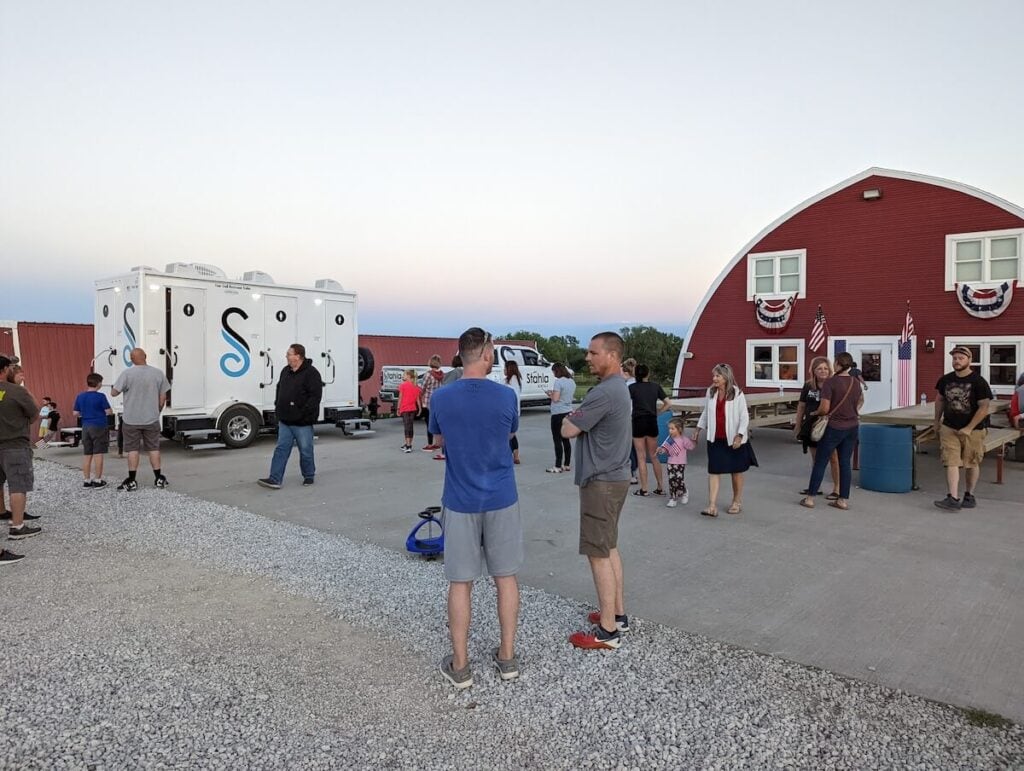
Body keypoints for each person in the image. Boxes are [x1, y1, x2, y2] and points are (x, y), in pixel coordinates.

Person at [429, 328, 521, 688]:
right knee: (506, 579)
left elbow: (438, 439)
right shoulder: (505, 397)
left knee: (460, 582)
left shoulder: (442, 397)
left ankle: (461, 665)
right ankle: (507, 658)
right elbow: (509, 434)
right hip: (501, 497)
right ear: (485, 354)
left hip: (460, 499)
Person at [561, 332, 632, 650]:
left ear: (612, 356)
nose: (587, 358)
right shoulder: (620, 388)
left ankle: (607, 633)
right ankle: (617, 615)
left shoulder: (603, 393)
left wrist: (569, 418)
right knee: (610, 547)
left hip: (600, 482)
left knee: (598, 553)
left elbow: (568, 430)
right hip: (616, 478)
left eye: (593, 352)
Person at [799, 352, 863, 511]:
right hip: (852, 426)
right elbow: (860, 401)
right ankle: (842, 500)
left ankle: (810, 498)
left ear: (838, 364)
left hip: (834, 427)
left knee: (820, 461)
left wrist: (816, 413)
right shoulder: (855, 383)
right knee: (844, 463)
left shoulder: (831, 383)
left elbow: (825, 408)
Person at [933, 346, 993, 511]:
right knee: (950, 461)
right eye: (955, 358)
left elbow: (984, 407)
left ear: (969, 360)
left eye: (961, 358)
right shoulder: (945, 380)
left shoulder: (978, 382)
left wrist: (969, 427)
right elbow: (939, 400)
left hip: (974, 430)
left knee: (971, 462)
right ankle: (953, 497)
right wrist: (936, 421)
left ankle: (969, 495)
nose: (957, 361)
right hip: (949, 427)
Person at [694, 363, 757, 517]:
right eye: (714, 375)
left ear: (726, 377)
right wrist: (698, 429)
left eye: (717, 376)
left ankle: (736, 501)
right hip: (715, 438)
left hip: (734, 439)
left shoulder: (737, 393)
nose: (714, 378)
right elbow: (706, 413)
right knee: (714, 471)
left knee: (736, 471)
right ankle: (712, 506)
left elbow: (744, 417)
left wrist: (740, 435)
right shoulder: (710, 392)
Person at [258, 344, 323, 489]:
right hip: (285, 420)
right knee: (281, 449)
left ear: (298, 356)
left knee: (305, 450)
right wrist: (278, 406)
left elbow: (315, 397)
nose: (286, 356)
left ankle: (309, 475)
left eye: (289, 354)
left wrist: (302, 414)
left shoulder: (312, 373)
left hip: (302, 422)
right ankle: (275, 479)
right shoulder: (285, 371)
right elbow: (279, 388)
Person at [0, 355, 42, 564]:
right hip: (14, 444)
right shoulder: (16, 391)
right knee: (18, 486)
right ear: (5, 369)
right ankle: (17, 526)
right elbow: (35, 414)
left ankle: (2, 512)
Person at [111, 348, 171, 491]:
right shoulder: (158, 373)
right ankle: (158, 478)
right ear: (145, 356)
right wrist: (157, 411)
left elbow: (114, 393)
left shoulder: (127, 373)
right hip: (151, 418)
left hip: (131, 419)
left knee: (132, 450)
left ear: (131, 359)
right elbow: (163, 397)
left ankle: (132, 480)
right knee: (154, 448)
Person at [794, 356, 840, 501]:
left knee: (833, 457)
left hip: (828, 425)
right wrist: (798, 425)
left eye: (826, 368)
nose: (823, 371)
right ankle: (816, 486)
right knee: (815, 458)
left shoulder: (834, 385)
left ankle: (837, 488)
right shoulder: (808, 385)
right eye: (819, 368)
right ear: (813, 370)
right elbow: (801, 406)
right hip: (810, 425)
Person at [629, 363, 672, 497]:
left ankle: (644, 489)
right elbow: (668, 403)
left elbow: (623, 403)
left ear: (636, 374)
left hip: (637, 422)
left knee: (641, 457)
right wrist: (659, 412)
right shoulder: (655, 387)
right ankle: (660, 487)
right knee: (654, 456)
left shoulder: (632, 388)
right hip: (652, 421)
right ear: (648, 374)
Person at [73, 373, 114, 488]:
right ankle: (98, 480)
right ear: (99, 383)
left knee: (87, 454)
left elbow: (75, 413)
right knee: (98, 454)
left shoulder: (80, 396)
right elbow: (109, 411)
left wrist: (86, 412)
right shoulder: (100, 396)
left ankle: (86, 480)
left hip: (85, 426)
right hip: (99, 425)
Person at [657, 416, 695, 507]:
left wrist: (694, 440)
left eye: (672, 429)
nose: (670, 431)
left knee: (678, 480)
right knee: (671, 480)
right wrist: (661, 450)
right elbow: (665, 449)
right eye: (669, 428)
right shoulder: (670, 439)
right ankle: (673, 498)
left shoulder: (683, 439)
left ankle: (684, 492)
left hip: (680, 463)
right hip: (670, 462)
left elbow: (691, 447)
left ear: (680, 429)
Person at [544, 362, 575, 473]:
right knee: (566, 439)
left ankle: (558, 465)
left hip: (558, 413)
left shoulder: (558, 382)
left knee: (557, 440)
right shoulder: (571, 381)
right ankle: (566, 464)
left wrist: (550, 394)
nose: (553, 374)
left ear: (557, 371)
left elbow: (556, 399)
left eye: (553, 372)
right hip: (568, 411)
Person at [433, 355, 464, 461]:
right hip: (465, 405)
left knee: (447, 431)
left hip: (453, 405)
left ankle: (445, 452)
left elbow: (446, 387)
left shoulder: (453, 373)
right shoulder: (467, 373)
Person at [420, 355, 444, 451]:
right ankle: (439, 442)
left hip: (428, 401)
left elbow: (423, 387)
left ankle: (430, 444)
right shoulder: (442, 375)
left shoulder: (428, 374)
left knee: (429, 423)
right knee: (439, 423)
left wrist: (419, 396)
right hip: (438, 401)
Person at [621, 358, 639, 484]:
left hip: (627, 418)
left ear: (626, 372)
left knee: (627, 447)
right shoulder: (639, 384)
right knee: (635, 446)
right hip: (638, 418)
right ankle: (635, 470)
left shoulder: (625, 387)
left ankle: (631, 471)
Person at [397, 368, 422, 453]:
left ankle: (408, 446)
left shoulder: (403, 385)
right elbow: (418, 399)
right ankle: (408, 443)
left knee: (406, 427)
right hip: (413, 409)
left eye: (404, 375)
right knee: (410, 426)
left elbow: (400, 398)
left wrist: (398, 408)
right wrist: (420, 409)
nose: (403, 376)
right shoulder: (416, 387)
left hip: (405, 409)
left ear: (408, 376)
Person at [504, 360, 522, 464]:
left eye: (505, 368)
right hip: (516, 410)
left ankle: (510, 454)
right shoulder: (518, 381)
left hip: (508, 411)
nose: (504, 370)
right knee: (512, 433)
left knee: (507, 434)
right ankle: (516, 455)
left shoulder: (508, 382)